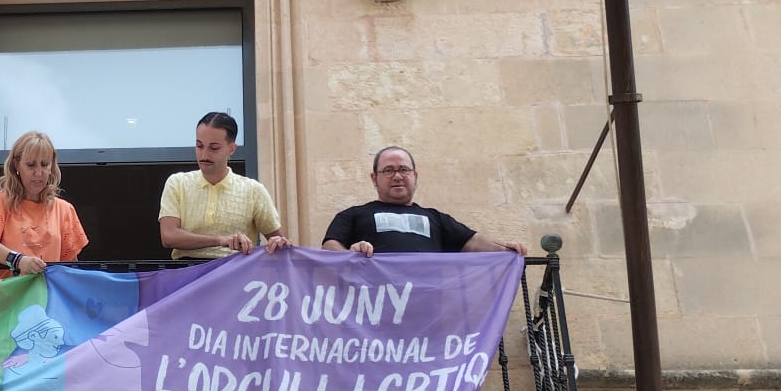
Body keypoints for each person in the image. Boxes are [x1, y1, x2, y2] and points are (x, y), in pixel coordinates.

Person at [320, 146, 525, 258]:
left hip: (428, 311)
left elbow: (471, 241)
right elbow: (329, 247)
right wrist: (350, 255)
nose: (397, 176)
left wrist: (505, 249)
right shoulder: (352, 215)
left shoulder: (436, 218)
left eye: (404, 169)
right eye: (388, 170)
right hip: (375, 308)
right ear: (374, 178)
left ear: (415, 176)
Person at [158, 111, 288, 260]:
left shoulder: (253, 190)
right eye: (199, 146)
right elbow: (169, 236)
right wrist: (221, 240)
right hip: (188, 272)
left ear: (232, 149)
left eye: (214, 148)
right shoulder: (177, 183)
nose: (204, 155)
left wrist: (278, 242)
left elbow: (280, 246)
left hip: (235, 271)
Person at [0, 130, 88, 276]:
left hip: (45, 291)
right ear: (16, 165)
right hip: (3, 291)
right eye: (31, 165)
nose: (39, 172)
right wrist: (17, 260)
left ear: (52, 166)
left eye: (45, 164)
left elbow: (70, 267)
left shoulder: (64, 210)